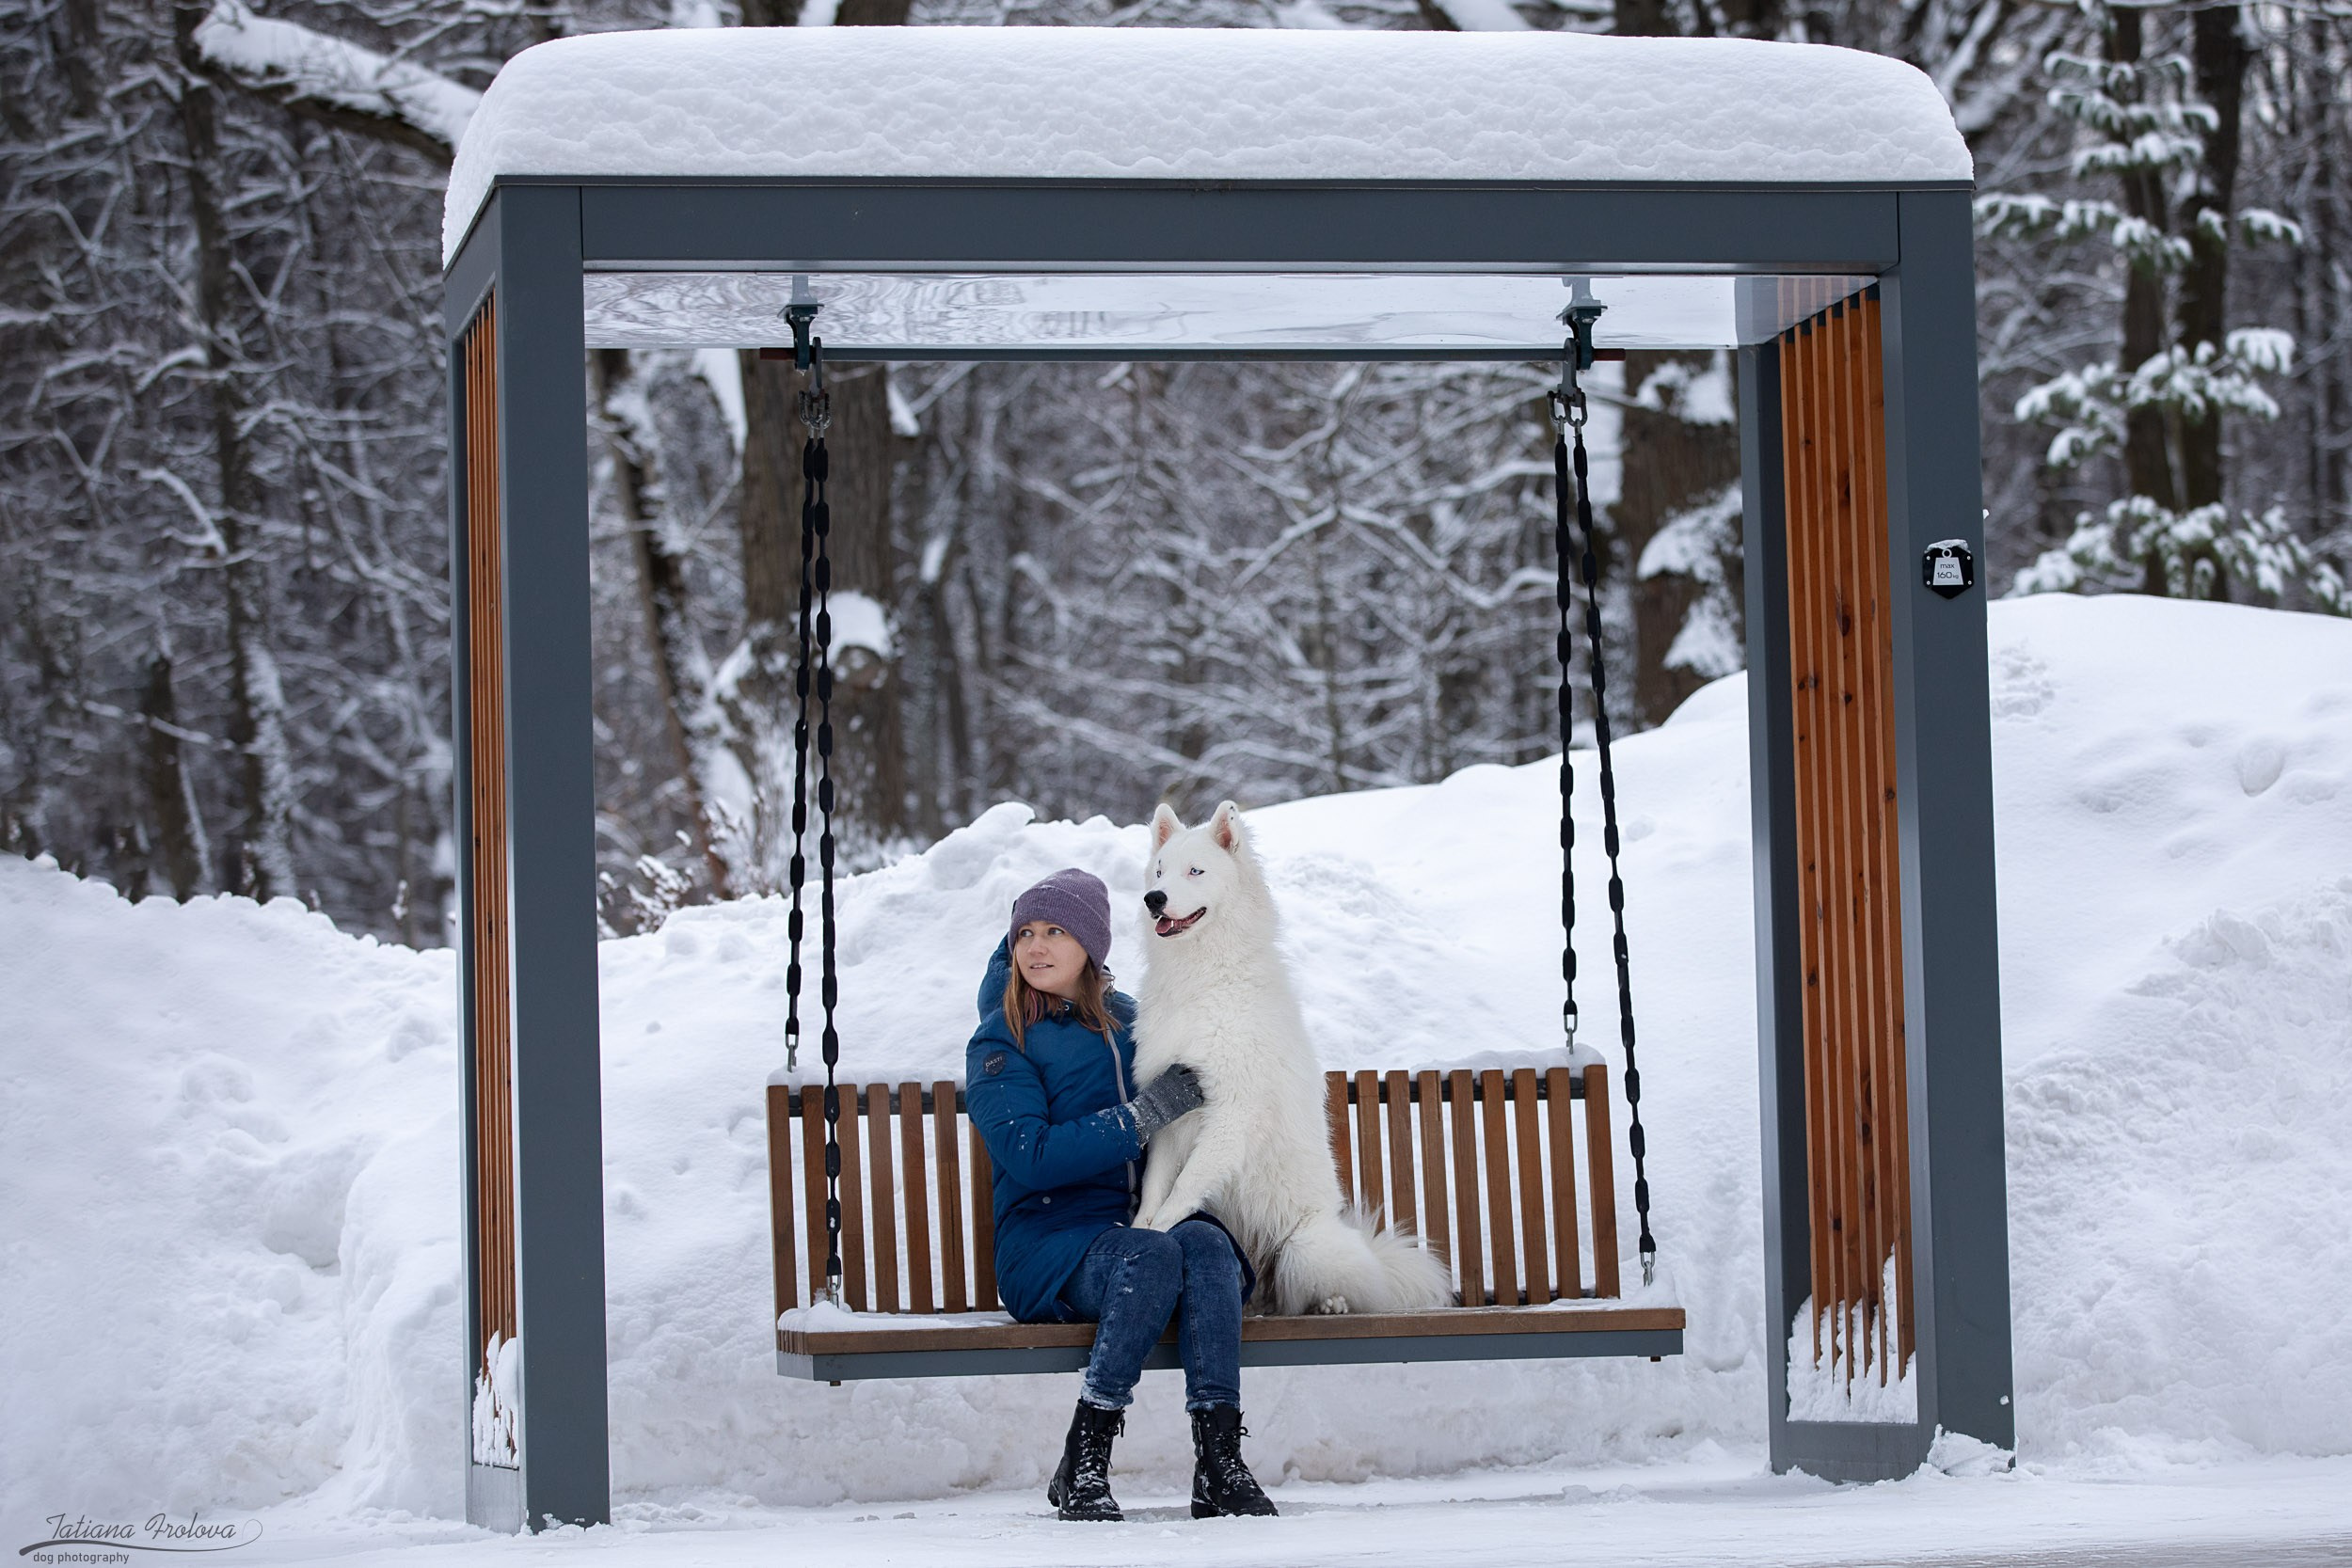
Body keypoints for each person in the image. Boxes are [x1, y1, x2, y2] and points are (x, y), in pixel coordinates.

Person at [964, 866, 1279, 1523]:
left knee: (1205, 1244)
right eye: (1025, 932)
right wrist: (1139, 1118)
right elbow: (1031, 1156)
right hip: (1047, 1248)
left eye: (1055, 931)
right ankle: (1087, 1455)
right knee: (1153, 1253)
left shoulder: (1132, 1020)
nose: (1035, 947)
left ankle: (1219, 1463)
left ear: (1091, 944)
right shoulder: (1002, 1036)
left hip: (1130, 1228)